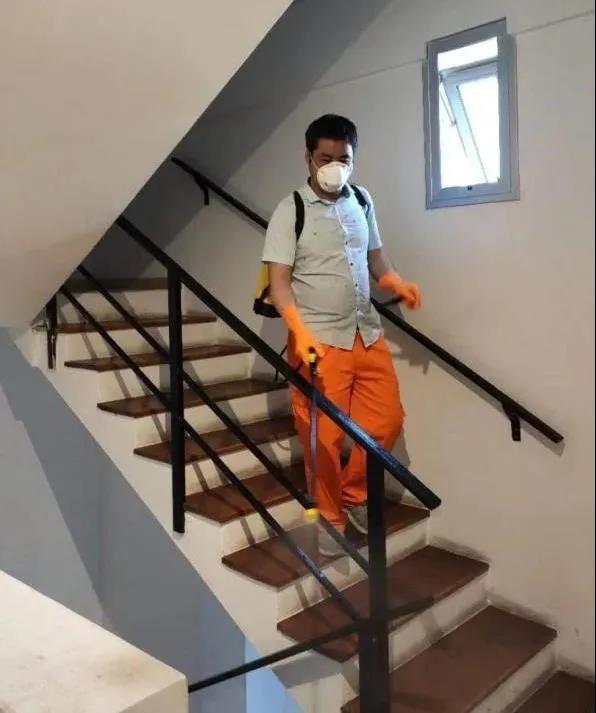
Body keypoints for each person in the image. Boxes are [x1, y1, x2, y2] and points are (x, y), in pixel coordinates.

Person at [262, 114, 421, 557]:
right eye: (325, 158)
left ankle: (355, 494)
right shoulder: (290, 210)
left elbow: (377, 261)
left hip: (365, 333)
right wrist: (299, 333)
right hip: (318, 343)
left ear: (354, 158)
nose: (335, 167)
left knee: (386, 421)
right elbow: (279, 285)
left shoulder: (362, 200)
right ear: (308, 158)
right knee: (324, 438)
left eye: (344, 159)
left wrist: (397, 283)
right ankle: (330, 519)